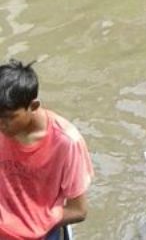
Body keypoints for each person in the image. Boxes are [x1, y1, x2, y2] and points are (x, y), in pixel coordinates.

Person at [0, 60, 94, 240]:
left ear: (33, 106)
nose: (1, 124)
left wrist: (34, 224)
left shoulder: (66, 142)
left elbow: (79, 210)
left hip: (40, 233)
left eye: (8, 118)